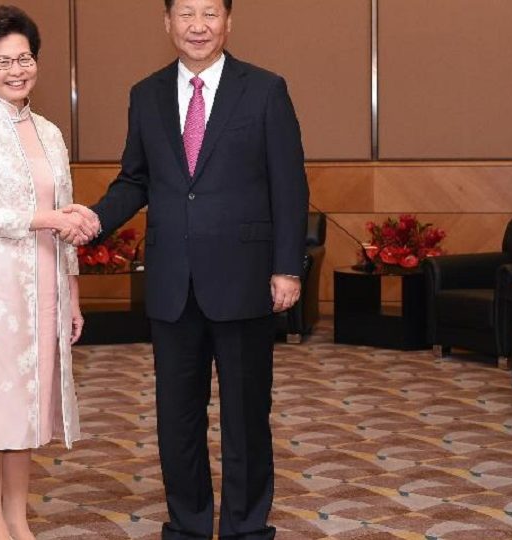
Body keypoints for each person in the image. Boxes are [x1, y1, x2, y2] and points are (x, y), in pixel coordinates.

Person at [71, 0, 309, 537]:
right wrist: (93, 219)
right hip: (172, 281)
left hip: (245, 277)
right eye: (185, 14)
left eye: (209, 13)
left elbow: (289, 186)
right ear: (167, 24)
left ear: (229, 21)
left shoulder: (266, 89)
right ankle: (188, 525)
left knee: (247, 417)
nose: (197, 26)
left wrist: (287, 269)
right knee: (176, 419)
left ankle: (247, 528)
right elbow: (134, 179)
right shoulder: (146, 93)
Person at [0, 6, 95, 540]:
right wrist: (46, 219)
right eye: (1, 61)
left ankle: (20, 518)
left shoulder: (50, 133)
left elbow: (67, 218)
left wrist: (71, 294)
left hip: (43, 286)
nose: (15, 69)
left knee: (28, 406)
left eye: (24, 58)